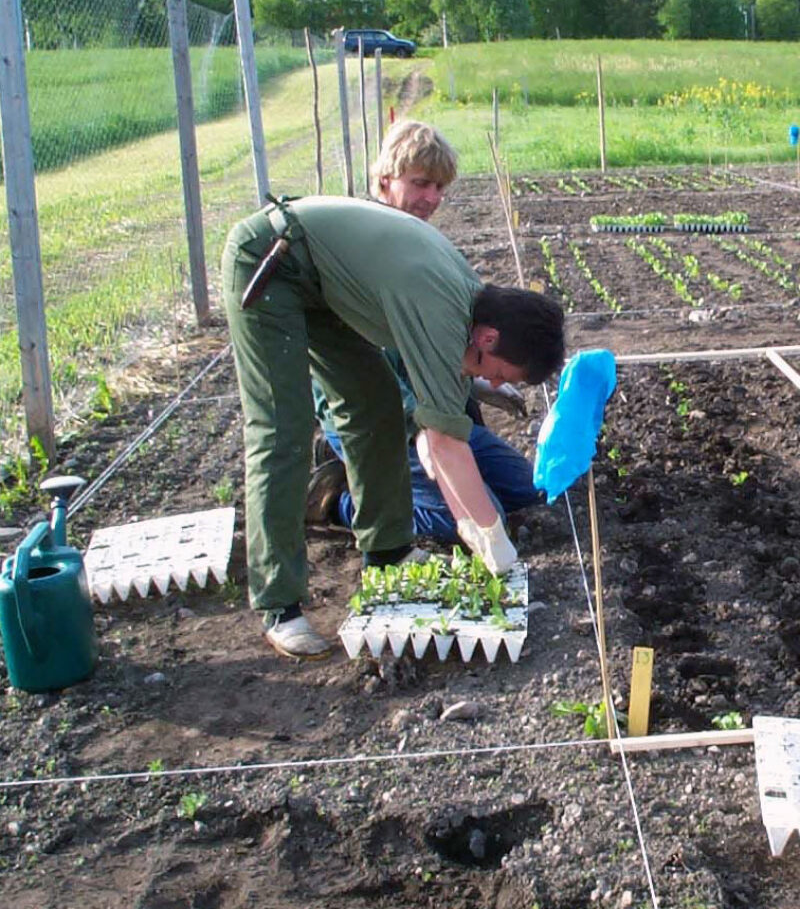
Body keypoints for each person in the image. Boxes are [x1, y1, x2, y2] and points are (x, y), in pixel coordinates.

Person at [223, 193, 565, 660]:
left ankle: (386, 550)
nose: (493, 382)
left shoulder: (470, 306)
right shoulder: (443, 312)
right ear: (489, 338)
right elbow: (445, 445)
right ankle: (279, 605)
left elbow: (439, 430)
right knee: (282, 429)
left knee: (377, 404)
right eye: (500, 373)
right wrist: (493, 541)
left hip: (319, 278)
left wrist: (473, 523)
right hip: (271, 261)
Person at [304, 120, 545, 541]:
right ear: (385, 178)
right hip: (379, 420)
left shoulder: (420, 246)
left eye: (439, 188)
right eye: (420, 183)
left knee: (528, 490)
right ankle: (340, 498)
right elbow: (365, 370)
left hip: (433, 416)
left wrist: (475, 384)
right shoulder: (357, 252)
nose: (431, 198)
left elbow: (442, 347)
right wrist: (423, 431)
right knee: (465, 521)